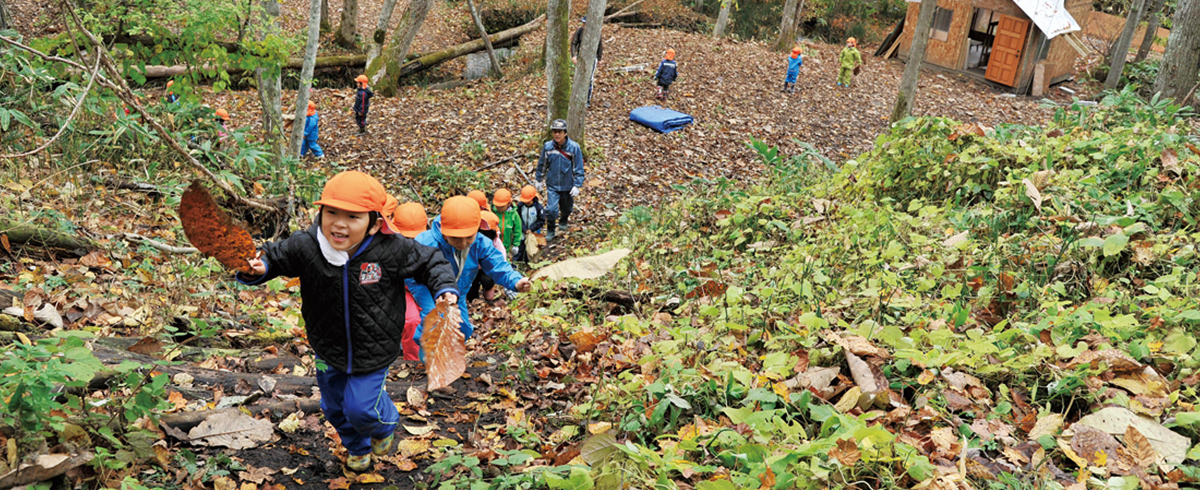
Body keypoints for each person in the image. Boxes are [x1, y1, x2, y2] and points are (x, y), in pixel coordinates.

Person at [236, 171, 459, 472]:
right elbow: (274, 257)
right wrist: (258, 267)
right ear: (321, 212)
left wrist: (445, 289)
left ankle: (385, 423)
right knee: (334, 408)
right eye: (331, 213)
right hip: (327, 347)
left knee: (362, 408)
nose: (339, 224)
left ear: (374, 223)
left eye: (353, 217)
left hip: (374, 348)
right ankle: (357, 448)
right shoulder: (307, 245)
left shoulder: (390, 249)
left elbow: (431, 261)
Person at [407, 196, 533, 353]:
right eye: (456, 238)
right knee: (435, 318)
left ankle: (447, 352)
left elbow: (497, 265)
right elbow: (410, 271)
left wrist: (516, 281)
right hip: (427, 288)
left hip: (458, 291)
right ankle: (430, 357)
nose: (462, 243)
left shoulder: (480, 243)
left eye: (469, 237)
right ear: (444, 230)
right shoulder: (426, 242)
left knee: (463, 328)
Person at [388, 198, 432, 361]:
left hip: (422, 288)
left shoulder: (431, 245)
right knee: (411, 320)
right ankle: (413, 361)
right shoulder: (387, 245)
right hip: (399, 289)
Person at [535, 119, 585, 243]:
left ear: (565, 133)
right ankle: (551, 229)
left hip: (568, 185)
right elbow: (542, 164)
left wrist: (577, 185)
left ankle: (564, 219)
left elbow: (579, 167)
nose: (557, 134)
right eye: (555, 132)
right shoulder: (548, 147)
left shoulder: (574, 148)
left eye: (560, 132)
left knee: (567, 208)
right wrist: (539, 180)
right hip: (552, 185)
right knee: (551, 210)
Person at [570, 16, 603, 105]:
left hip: (592, 58)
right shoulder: (580, 31)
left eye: (585, 23)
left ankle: (587, 101)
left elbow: (600, 46)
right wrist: (573, 56)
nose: (583, 25)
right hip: (580, 57)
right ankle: (576, 98)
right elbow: (573, 43)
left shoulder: (596, 33)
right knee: (578, 77)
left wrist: (599, 58)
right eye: (583, 23)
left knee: (589, 79)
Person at [514, 185, 544, 263]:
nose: (526, 203)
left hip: (534, 232)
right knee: (521, 248)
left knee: (532, 248)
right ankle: (518, 262)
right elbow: (518, 218)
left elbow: (541, 221)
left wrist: (532, 228)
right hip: (522, 231)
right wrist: (524, 228)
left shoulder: (538, 208)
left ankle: (531, 262)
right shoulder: (520, 206)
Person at [491, 188, 524, 258]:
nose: (499, 208)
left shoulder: (514, 215)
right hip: (493, 245)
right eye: (497, 206)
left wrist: (516, 244)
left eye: (501, 207)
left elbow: (517, 230)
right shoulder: (492, 212)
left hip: (507, 245)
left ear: (509, 204)